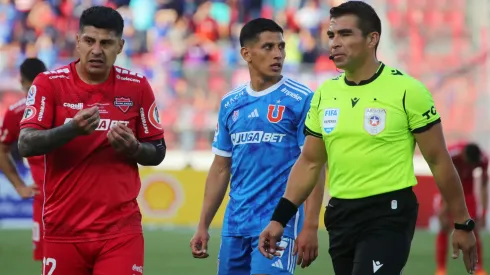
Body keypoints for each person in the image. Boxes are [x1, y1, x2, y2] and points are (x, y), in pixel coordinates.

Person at [258, 1, 478, 275]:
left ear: (372, 39)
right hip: (340, 214)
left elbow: (439, 160)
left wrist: (462, 223)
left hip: (389, 213)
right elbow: (310, 163)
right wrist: (279, 220)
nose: (334, 43)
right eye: (331, 35)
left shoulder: (408, 91)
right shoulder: (325, 95)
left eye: (345, 34)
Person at [17, 6, 166, 275]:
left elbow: (157, 150)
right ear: (77, 42)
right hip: (63, 229)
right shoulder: (48, 84)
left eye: (106, 43)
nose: (96, 50)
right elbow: (26, 143)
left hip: (120, 232)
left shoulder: (138, 86)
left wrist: (134, 149)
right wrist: (71, 129)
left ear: (120, 46)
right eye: (89, 41)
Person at [189, 18, 326, 275]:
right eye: (268, 47)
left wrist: (310, 225)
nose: (278, 54)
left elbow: (314, 165)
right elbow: (220, 168)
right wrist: (203, 224)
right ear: (246, 53)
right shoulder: (231, 103)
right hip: (235, 224)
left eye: (281, 47)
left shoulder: (301, 99)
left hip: (279, 222)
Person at [0, 57, 46, 262]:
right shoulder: (16, 113)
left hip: (72, 197)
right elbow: (1, 149)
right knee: (51, 263)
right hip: (45, 199)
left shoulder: (67, 105)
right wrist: (19, 186)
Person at [435, 142, 488, 275]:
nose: (469, 167)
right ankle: (441, 269)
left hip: (468, 194)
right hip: (449, 189)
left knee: (473, 229)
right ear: (463, 155)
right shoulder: (451, 154)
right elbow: (444, 179)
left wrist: (483, 212)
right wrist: (444, 206)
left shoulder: (483, 159)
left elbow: (483, 186)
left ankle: (478, 268)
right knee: (444, 227)